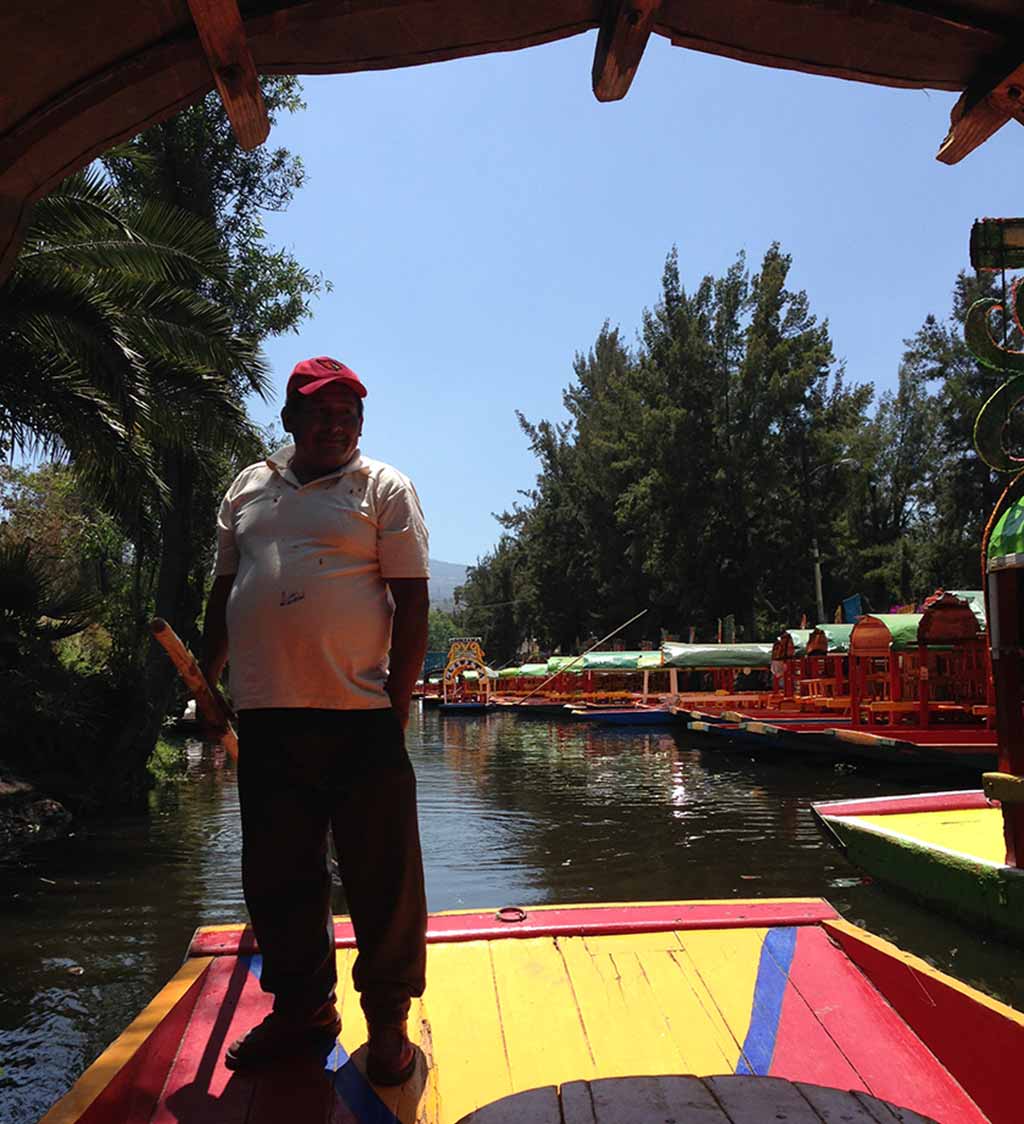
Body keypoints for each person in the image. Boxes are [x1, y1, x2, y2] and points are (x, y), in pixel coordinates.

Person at [201, 356, 430, 1085]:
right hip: (268, 718)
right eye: (320, 411)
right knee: (278, 876)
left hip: (361, 717)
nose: (336, 424)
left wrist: (395, 709)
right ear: (291, 419)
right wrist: (205, 683)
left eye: (348, 412)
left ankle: (388, 1024)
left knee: (383, 879)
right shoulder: (247, 487)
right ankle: (304, 1012)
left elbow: (414, 604)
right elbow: (224, 593)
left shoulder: (383, 488)